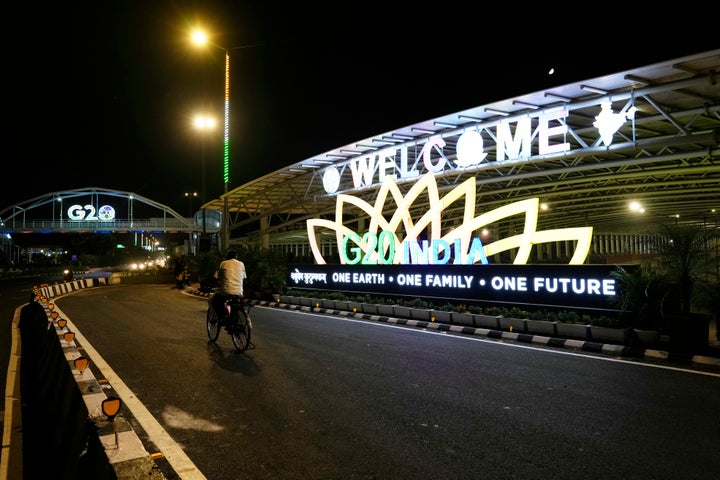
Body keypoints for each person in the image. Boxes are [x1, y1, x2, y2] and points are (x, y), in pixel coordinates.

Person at [212, 250, 247, 318]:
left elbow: (216, 276)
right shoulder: (241, 264)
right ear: (236, 257)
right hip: (239, 292)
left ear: (227, 257)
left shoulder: (223, 263)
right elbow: (244, 278)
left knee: (215, 302)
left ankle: (223, 316)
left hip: (226, 291)